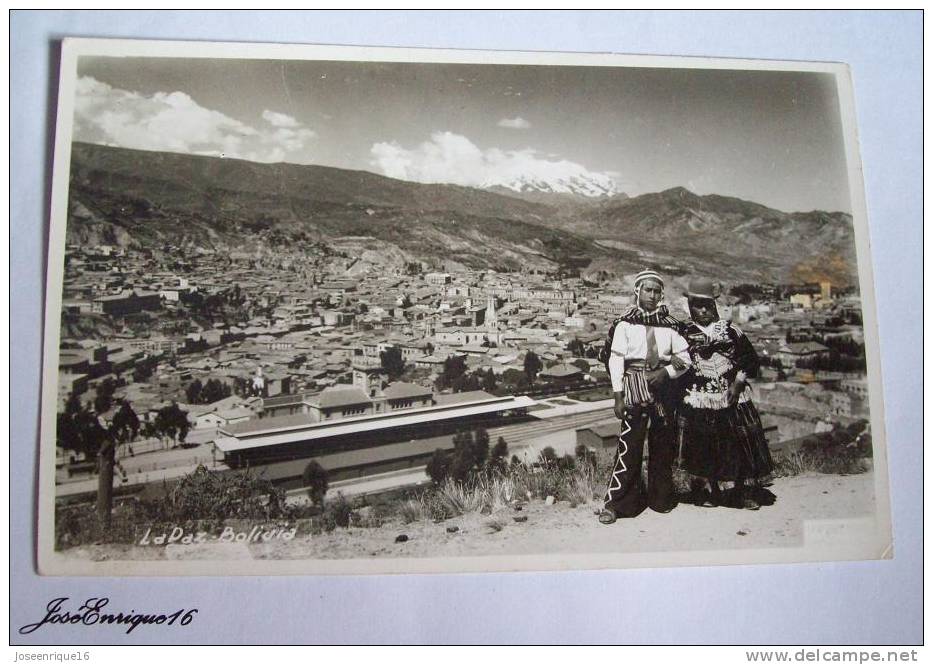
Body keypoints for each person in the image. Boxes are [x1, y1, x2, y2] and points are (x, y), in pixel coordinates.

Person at [673, 277, 775, 510]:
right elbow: (674, 358)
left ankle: (740, 491)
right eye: (698, 305)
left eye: (708, 305)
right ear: (691, 307)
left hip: (731, 396)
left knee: (735, 443)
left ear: (715, 305)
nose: (704, 310)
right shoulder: (683, 333)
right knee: (703, 443)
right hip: (700, 397)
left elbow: (750, 360)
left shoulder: (730, 331)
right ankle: (709, 490)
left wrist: (738, 383)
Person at [598, 269, 691, 524]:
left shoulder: (671, 325)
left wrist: (667, 372)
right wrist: (618, 395)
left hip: (664, 390)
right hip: (635, 385)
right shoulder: (625, 323)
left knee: (663, 443)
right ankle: (618, 503)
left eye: (656, 290)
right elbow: (616, 359)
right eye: (647, 289)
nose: (652, 295)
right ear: (637, 292)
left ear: (662, 294)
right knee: (630, 443)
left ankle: (660, 498)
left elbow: (686, 359)